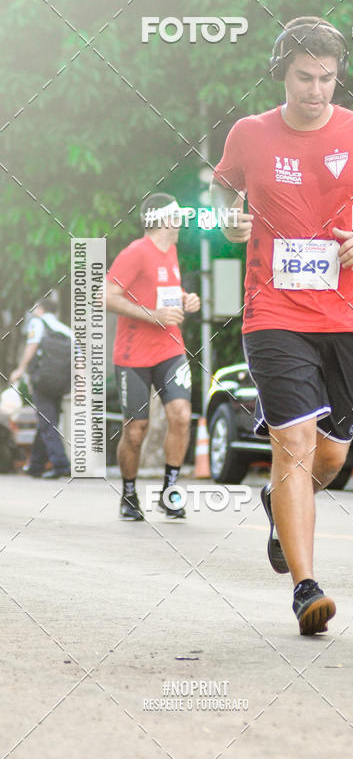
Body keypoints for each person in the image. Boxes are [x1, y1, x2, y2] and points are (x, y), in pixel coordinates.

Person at [211, 17, 353, 635]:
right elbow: (221, 191)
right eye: (305, 77)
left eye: (327, 78)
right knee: (293, 446)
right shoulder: (249, 134)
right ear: (282, 73)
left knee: (329, 458)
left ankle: (278, 503)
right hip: (272, 312)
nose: (317, 90)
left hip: (346, 315)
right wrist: (228, 222)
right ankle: (306, 589)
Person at [105, 193, 200, 521]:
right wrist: (151, 315)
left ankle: (169, 493)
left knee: (181, 415)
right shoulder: (135, 253)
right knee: (136, 430)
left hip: (170, 349)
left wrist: (187, 299)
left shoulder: (171, 251)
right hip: (133, 355)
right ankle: (129, 494)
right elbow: (106, 295)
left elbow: (164, 292)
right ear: (163, 220)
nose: (182, 220)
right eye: (178, 215)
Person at [10, 296, 72, 478]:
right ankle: (36, 466)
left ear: (40, 309)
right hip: (61, 383)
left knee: (47, 422)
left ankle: (61, 465)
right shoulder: (66, 330)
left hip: (42, 381)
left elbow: (32, 345)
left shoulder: (38, 323)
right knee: (47, 420)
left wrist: (20, 369)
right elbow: (78, 357)